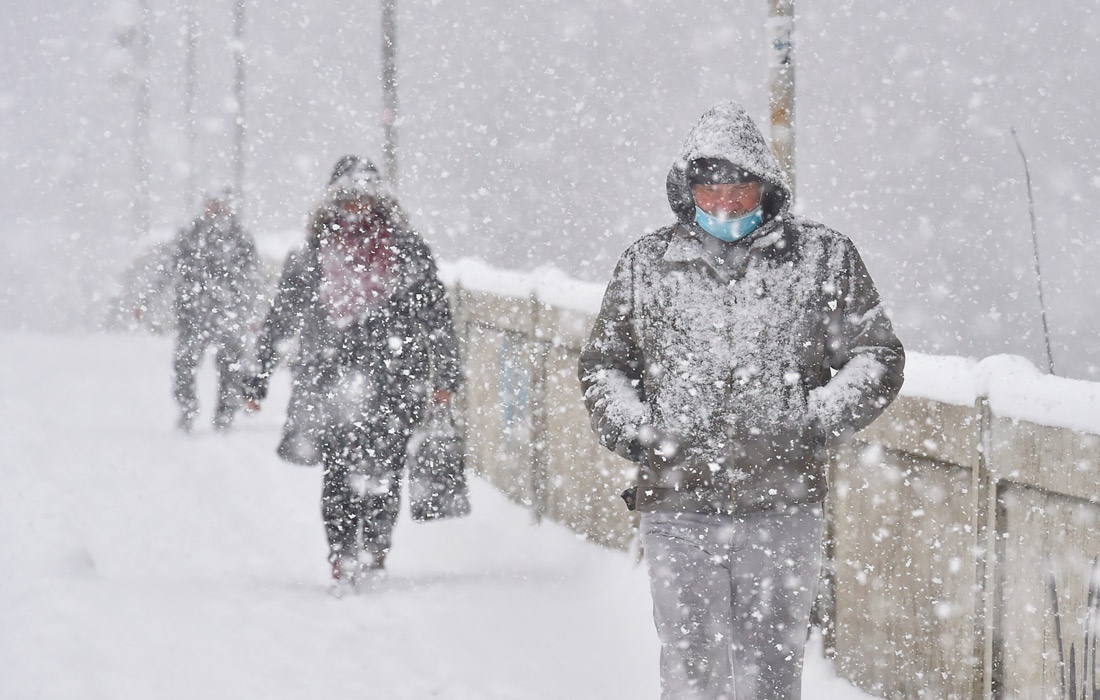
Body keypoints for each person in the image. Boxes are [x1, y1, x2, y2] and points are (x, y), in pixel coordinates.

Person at [578, 101, 905, 700]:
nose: (724, 203)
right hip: (676, 502)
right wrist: (641, 433)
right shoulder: (647, 266)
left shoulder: (822, 258)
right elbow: (605, 367)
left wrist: (810, 422)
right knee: (692, 661)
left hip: (782, 503)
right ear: (688, 188)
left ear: (765, 186)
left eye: (739, 187)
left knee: (772, 665)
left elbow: (876, 356)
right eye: (709, 188)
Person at [242, 155, 462, 591]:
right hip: (330, 376)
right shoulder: (312, 253)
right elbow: (281, 318)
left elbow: (437, 316)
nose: (358, 207)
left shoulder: (407, 249)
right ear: (333, 203)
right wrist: (257, 377)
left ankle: (376, 549)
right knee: (339, 472)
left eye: (366, 199)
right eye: (349, 198)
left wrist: (445, 378)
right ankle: (342, 553)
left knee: (386, 469)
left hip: (397, 376)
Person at [137, 189, 263, 432]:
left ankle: (225, 414)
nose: (215, 209)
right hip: (193, 314)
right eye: (211, 204)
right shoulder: (190, 236)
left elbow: (253, 278)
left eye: (220, 204)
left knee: (230, 368)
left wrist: (254, 312)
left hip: (230, 313)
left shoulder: (240, 238)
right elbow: (166, 269)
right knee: (185, 365)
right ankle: (188, 408)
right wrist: (146, 299)